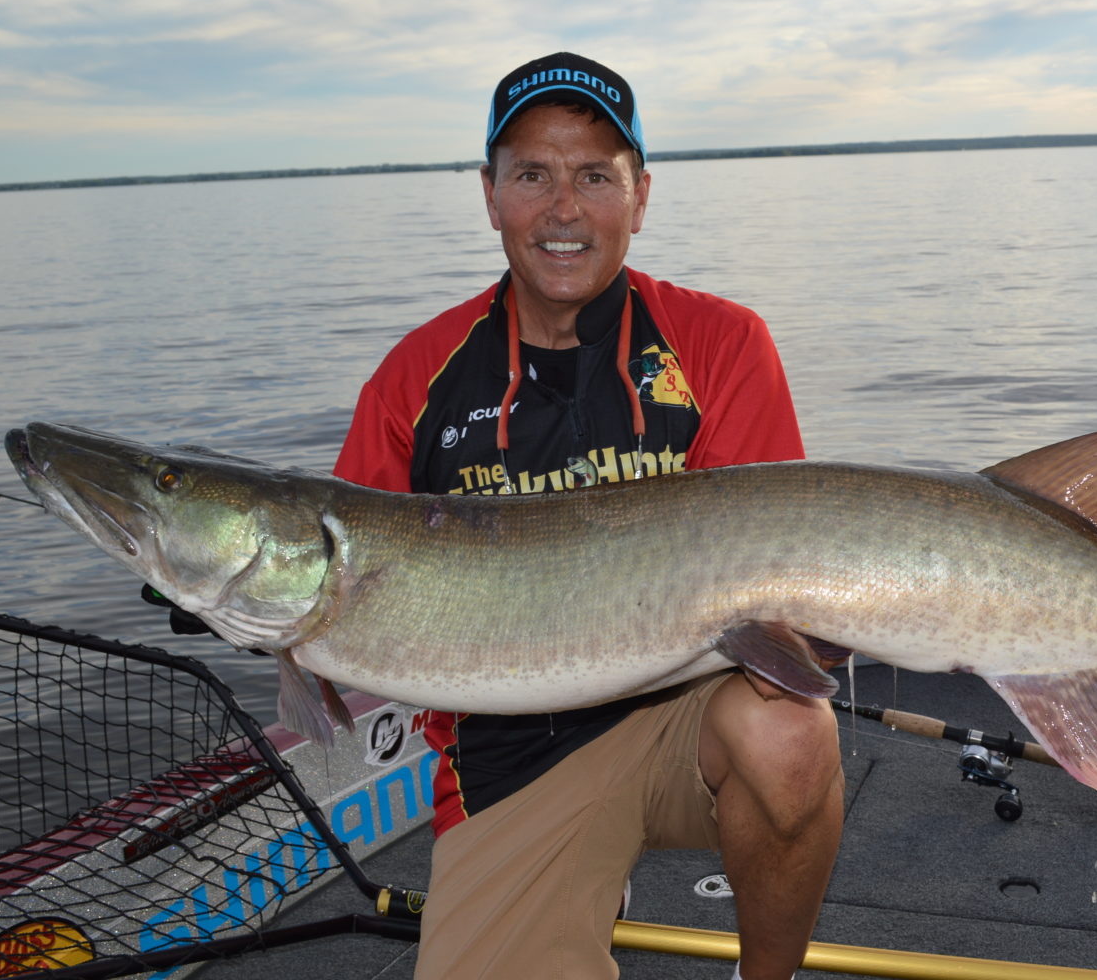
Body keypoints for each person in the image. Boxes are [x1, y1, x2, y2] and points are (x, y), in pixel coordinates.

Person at [332, 52, 844, 980]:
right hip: (513, 756)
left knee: (790, 729)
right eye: (532, 174)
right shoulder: (416, 380)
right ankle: (580, 877)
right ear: (490, 195)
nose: (563, 208)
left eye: (594, 177)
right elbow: (339, 599)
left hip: (689, 707)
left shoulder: (722, 343)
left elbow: (770, 585)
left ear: (639, 196)